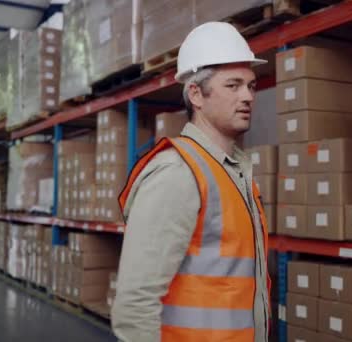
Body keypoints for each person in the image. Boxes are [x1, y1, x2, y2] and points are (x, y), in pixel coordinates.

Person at [112, 22, 271, 342]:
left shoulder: (235, 172)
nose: (248, 96)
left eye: (251, 86)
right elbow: (134, 305)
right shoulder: (177, 173)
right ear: (195, 94)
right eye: (233, 85)